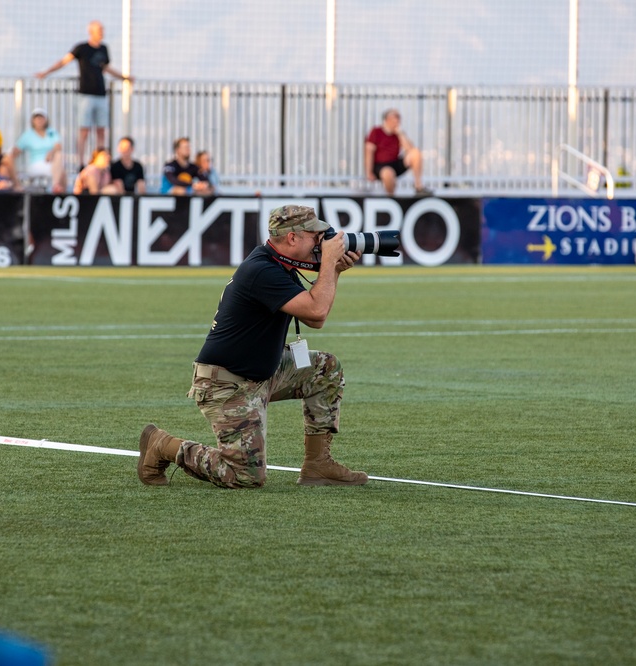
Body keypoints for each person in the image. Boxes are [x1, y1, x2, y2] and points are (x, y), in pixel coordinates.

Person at [137, 205, 368, 489]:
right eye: (315, 236)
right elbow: (317, 312)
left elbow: (314, 319)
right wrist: (330, 265)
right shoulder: (262, 270)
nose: (321, 243)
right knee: (245, 477)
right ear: (292, 238)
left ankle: (317, 465)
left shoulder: (281, 265)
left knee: (325, 369)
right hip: (226, 384)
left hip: (262, 373)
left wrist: (333, 269)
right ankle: (162, 444)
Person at [34, 20, 132, 170]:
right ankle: (80, 162)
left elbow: (106, 68)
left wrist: (124, 78)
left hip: (101, 94)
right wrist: (46, 72)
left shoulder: (104, 49)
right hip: (85, 94)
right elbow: (63, 61)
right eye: (99, 30)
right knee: (84, 130)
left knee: (101, 130)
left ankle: (100, 160)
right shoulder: (81, 48)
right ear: (91, 31)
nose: (102, 33)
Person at [364, 108, 430, 196]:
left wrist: (400, 134)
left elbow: (410, 150)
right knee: (388, 173)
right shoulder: (376, 131)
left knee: (416, 152)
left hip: (395, 163)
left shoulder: (399, 134)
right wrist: (369, 172)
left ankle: (418, 186)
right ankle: (391, 196)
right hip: (381, 166)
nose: (398, 120)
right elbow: (369, 151)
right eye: (396, 117)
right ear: (387, 119)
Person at [11, 108, 67, 193]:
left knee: (59, 158)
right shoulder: (28, 135)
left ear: (46, 119)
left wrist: (51, 153)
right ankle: (57, 189)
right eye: (37, 118)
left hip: (51, 163)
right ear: (33, 120)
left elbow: (58, 146)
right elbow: (15, 151)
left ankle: (56, 188)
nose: (39, 120)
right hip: (36, 164)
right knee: (61, 172)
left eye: (41, 118)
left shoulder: (51, 132)